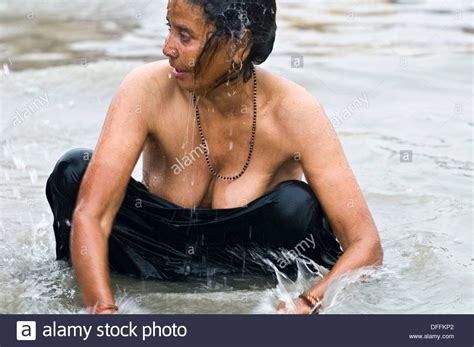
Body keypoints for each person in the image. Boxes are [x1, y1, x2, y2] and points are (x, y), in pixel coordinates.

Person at [45, 0, 383, 315]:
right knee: (73, 173)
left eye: (185, 36)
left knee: (297, 205)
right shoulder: (145, 89)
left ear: (239, 44)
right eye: (169, 29)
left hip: (251, 268)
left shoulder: (295, 112)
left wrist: (310, 301)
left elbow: (365, 245)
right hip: (151, 253)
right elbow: (92, 214)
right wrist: (104, 313)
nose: (167, 48)